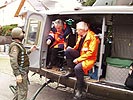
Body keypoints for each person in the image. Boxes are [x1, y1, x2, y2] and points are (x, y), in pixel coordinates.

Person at [64, 21, 100, 99]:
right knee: (68, 51)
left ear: (82, 30)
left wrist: (78, 59)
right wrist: (71, 50)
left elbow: (91, 53)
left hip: (89, 58)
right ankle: (71, 71)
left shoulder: (93, 37)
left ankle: (79, 91)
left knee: (78, 68)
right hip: (82, 55)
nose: (76, 31)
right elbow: (78, 47)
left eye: (77, 30)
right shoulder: (81, 35)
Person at [9, 27, 36, 100]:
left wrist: (30, 50)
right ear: (17, 35)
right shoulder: (15, 46)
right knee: (23, 91)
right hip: (21, 72)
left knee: (19, 90)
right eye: (22, 33)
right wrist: (17, 74)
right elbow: (13, 61)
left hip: (23, 71)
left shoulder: (19, 45)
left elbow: (22, 55)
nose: (23, 34)